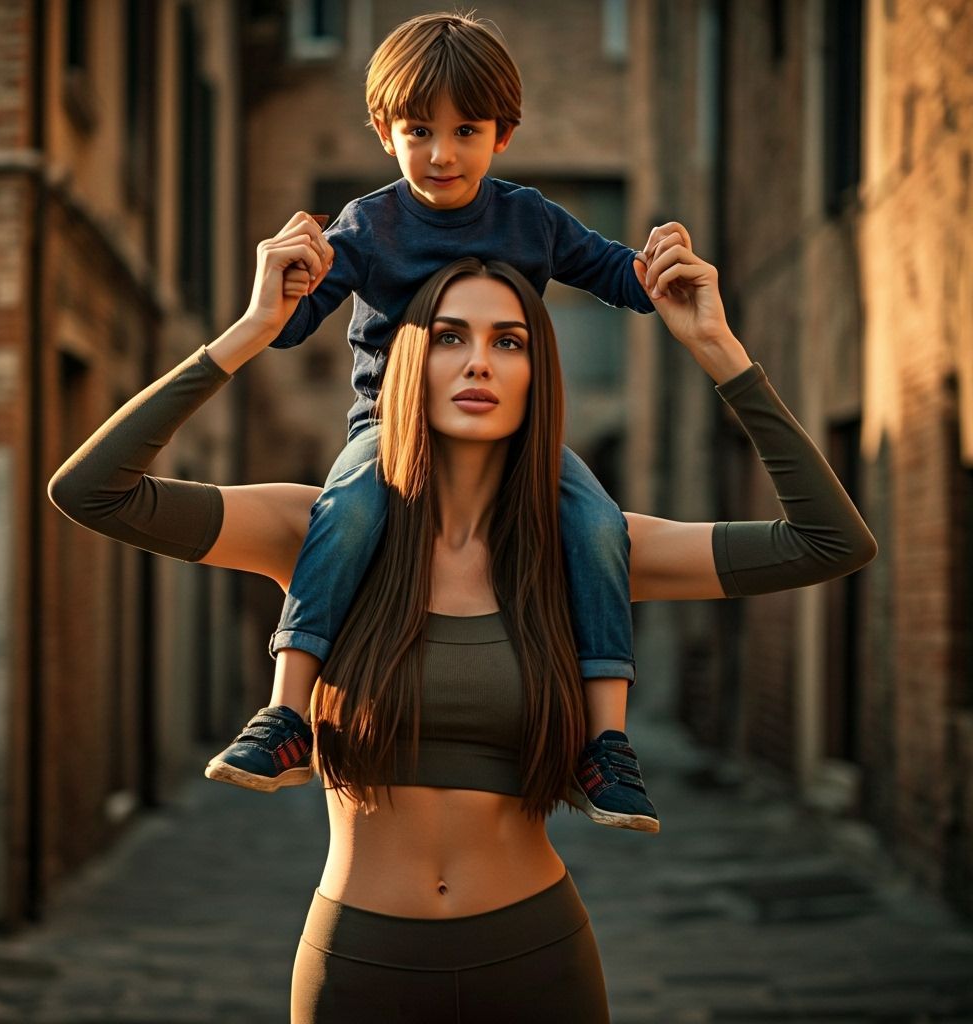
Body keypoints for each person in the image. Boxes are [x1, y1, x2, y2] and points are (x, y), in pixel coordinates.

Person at [48, 221, 876, 1022]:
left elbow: (828, 542)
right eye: (448, 336)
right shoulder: (315, 534)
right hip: (357, 968)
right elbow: (93, 491)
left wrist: (719, 355)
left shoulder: (593, 552)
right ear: (406, 360)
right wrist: (252, 330)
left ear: (535, 372)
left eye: (509, 341)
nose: (478, 361)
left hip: (538, 959)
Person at [204, 11, 674, 832]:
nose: (442, 153)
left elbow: (613, 273)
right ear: (385, 132)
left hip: (515, 436)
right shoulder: (367, 223)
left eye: (467, 130)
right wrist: (279, 292)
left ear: (504, 134)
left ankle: (607, 746)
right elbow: (296, 322)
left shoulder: (530, 218)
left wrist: (662, 268)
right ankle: (285, 717)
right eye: (419, 130)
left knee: (599, 525)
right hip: (388, 431)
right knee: (344, 512)